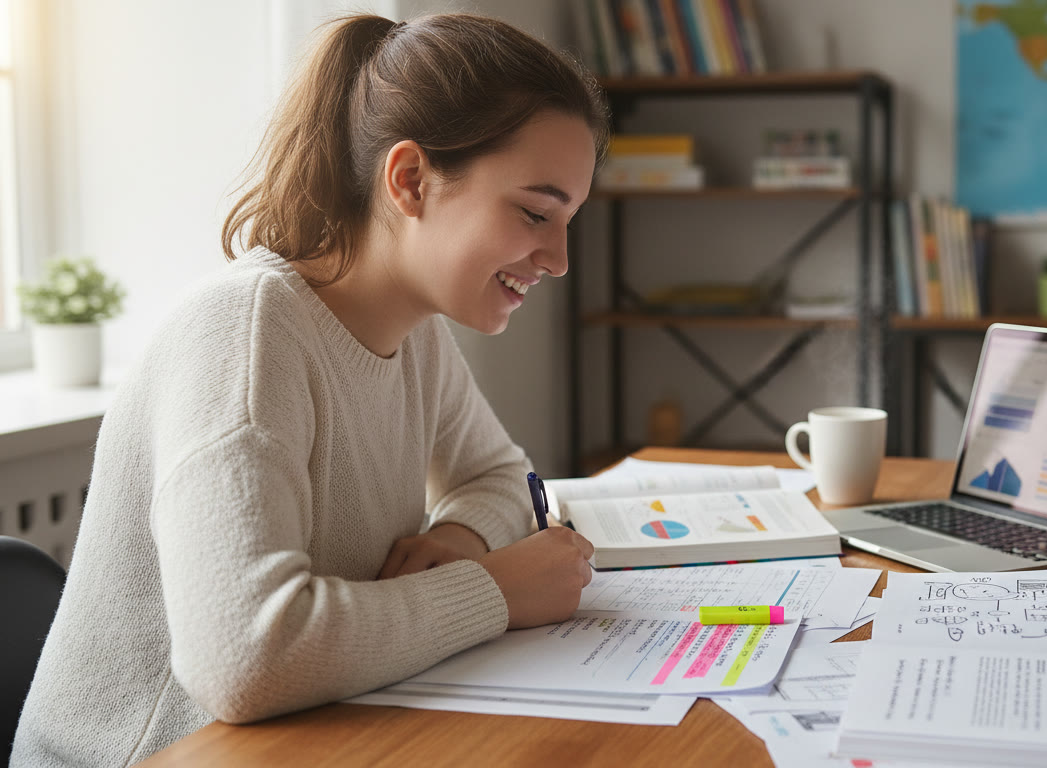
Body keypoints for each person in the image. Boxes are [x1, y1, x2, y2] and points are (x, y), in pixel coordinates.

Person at [12, 13, 608, 767]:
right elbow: (246, 655)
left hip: (310, 735)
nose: (556, 259)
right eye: (534, 212)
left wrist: (460, 539)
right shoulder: (247, 336)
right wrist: (492, 590)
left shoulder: (416, 331)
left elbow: (499, 475)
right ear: (411, 180)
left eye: (568, 222)